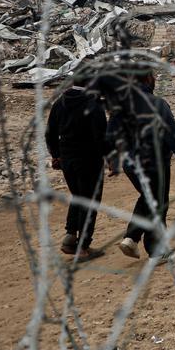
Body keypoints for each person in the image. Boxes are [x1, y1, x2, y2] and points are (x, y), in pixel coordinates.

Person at [108, 70, 175, 262]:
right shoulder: (158, 104)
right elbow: (173, 134)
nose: (156, 80)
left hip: (130, 164)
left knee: (148, 198)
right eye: (154, 77)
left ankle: (133, 238)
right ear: (148, 79)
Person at [46, 77, 109, 260]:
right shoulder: (93, 104)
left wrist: (56, 155)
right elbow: (101, 137)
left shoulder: (61, 102)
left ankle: (70, 236)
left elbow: (50, 132)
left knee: (78, 196)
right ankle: (83, 247)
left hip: (67, 159)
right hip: (90, 160)